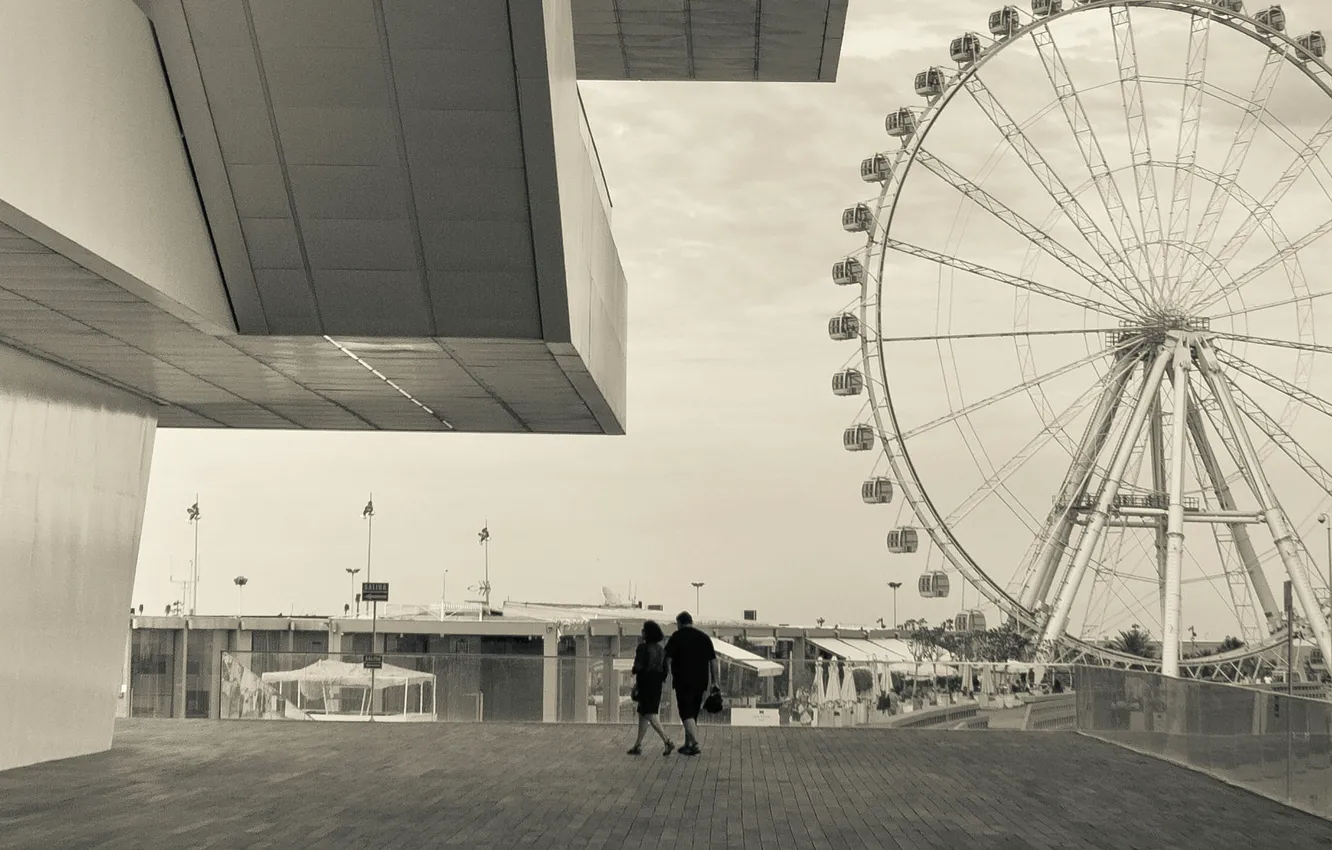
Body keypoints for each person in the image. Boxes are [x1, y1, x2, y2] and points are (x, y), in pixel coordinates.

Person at [663, 610, 720, 756]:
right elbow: (713, 661)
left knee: (685, 712)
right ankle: (687, 744)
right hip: (701, 681)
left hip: (683, 680)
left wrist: (664, 674)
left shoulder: (676, 637)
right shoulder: (703, 637)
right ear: (691, 622)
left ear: (680, 623)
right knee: (693, 712)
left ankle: (694, 743)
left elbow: (667, 659)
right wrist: (715, 681)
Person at [627, 620, 675, 756]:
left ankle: (667, 741)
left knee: (649, 714)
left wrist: (634, 671)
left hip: (645, 683)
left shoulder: (643, 648)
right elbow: (666, 669)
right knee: (643, 713)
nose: (641, 632)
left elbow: (638, 666)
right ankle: (638, 745)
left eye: (643, 630)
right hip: (656, 684)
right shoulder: (661, 650)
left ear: (647, 634)